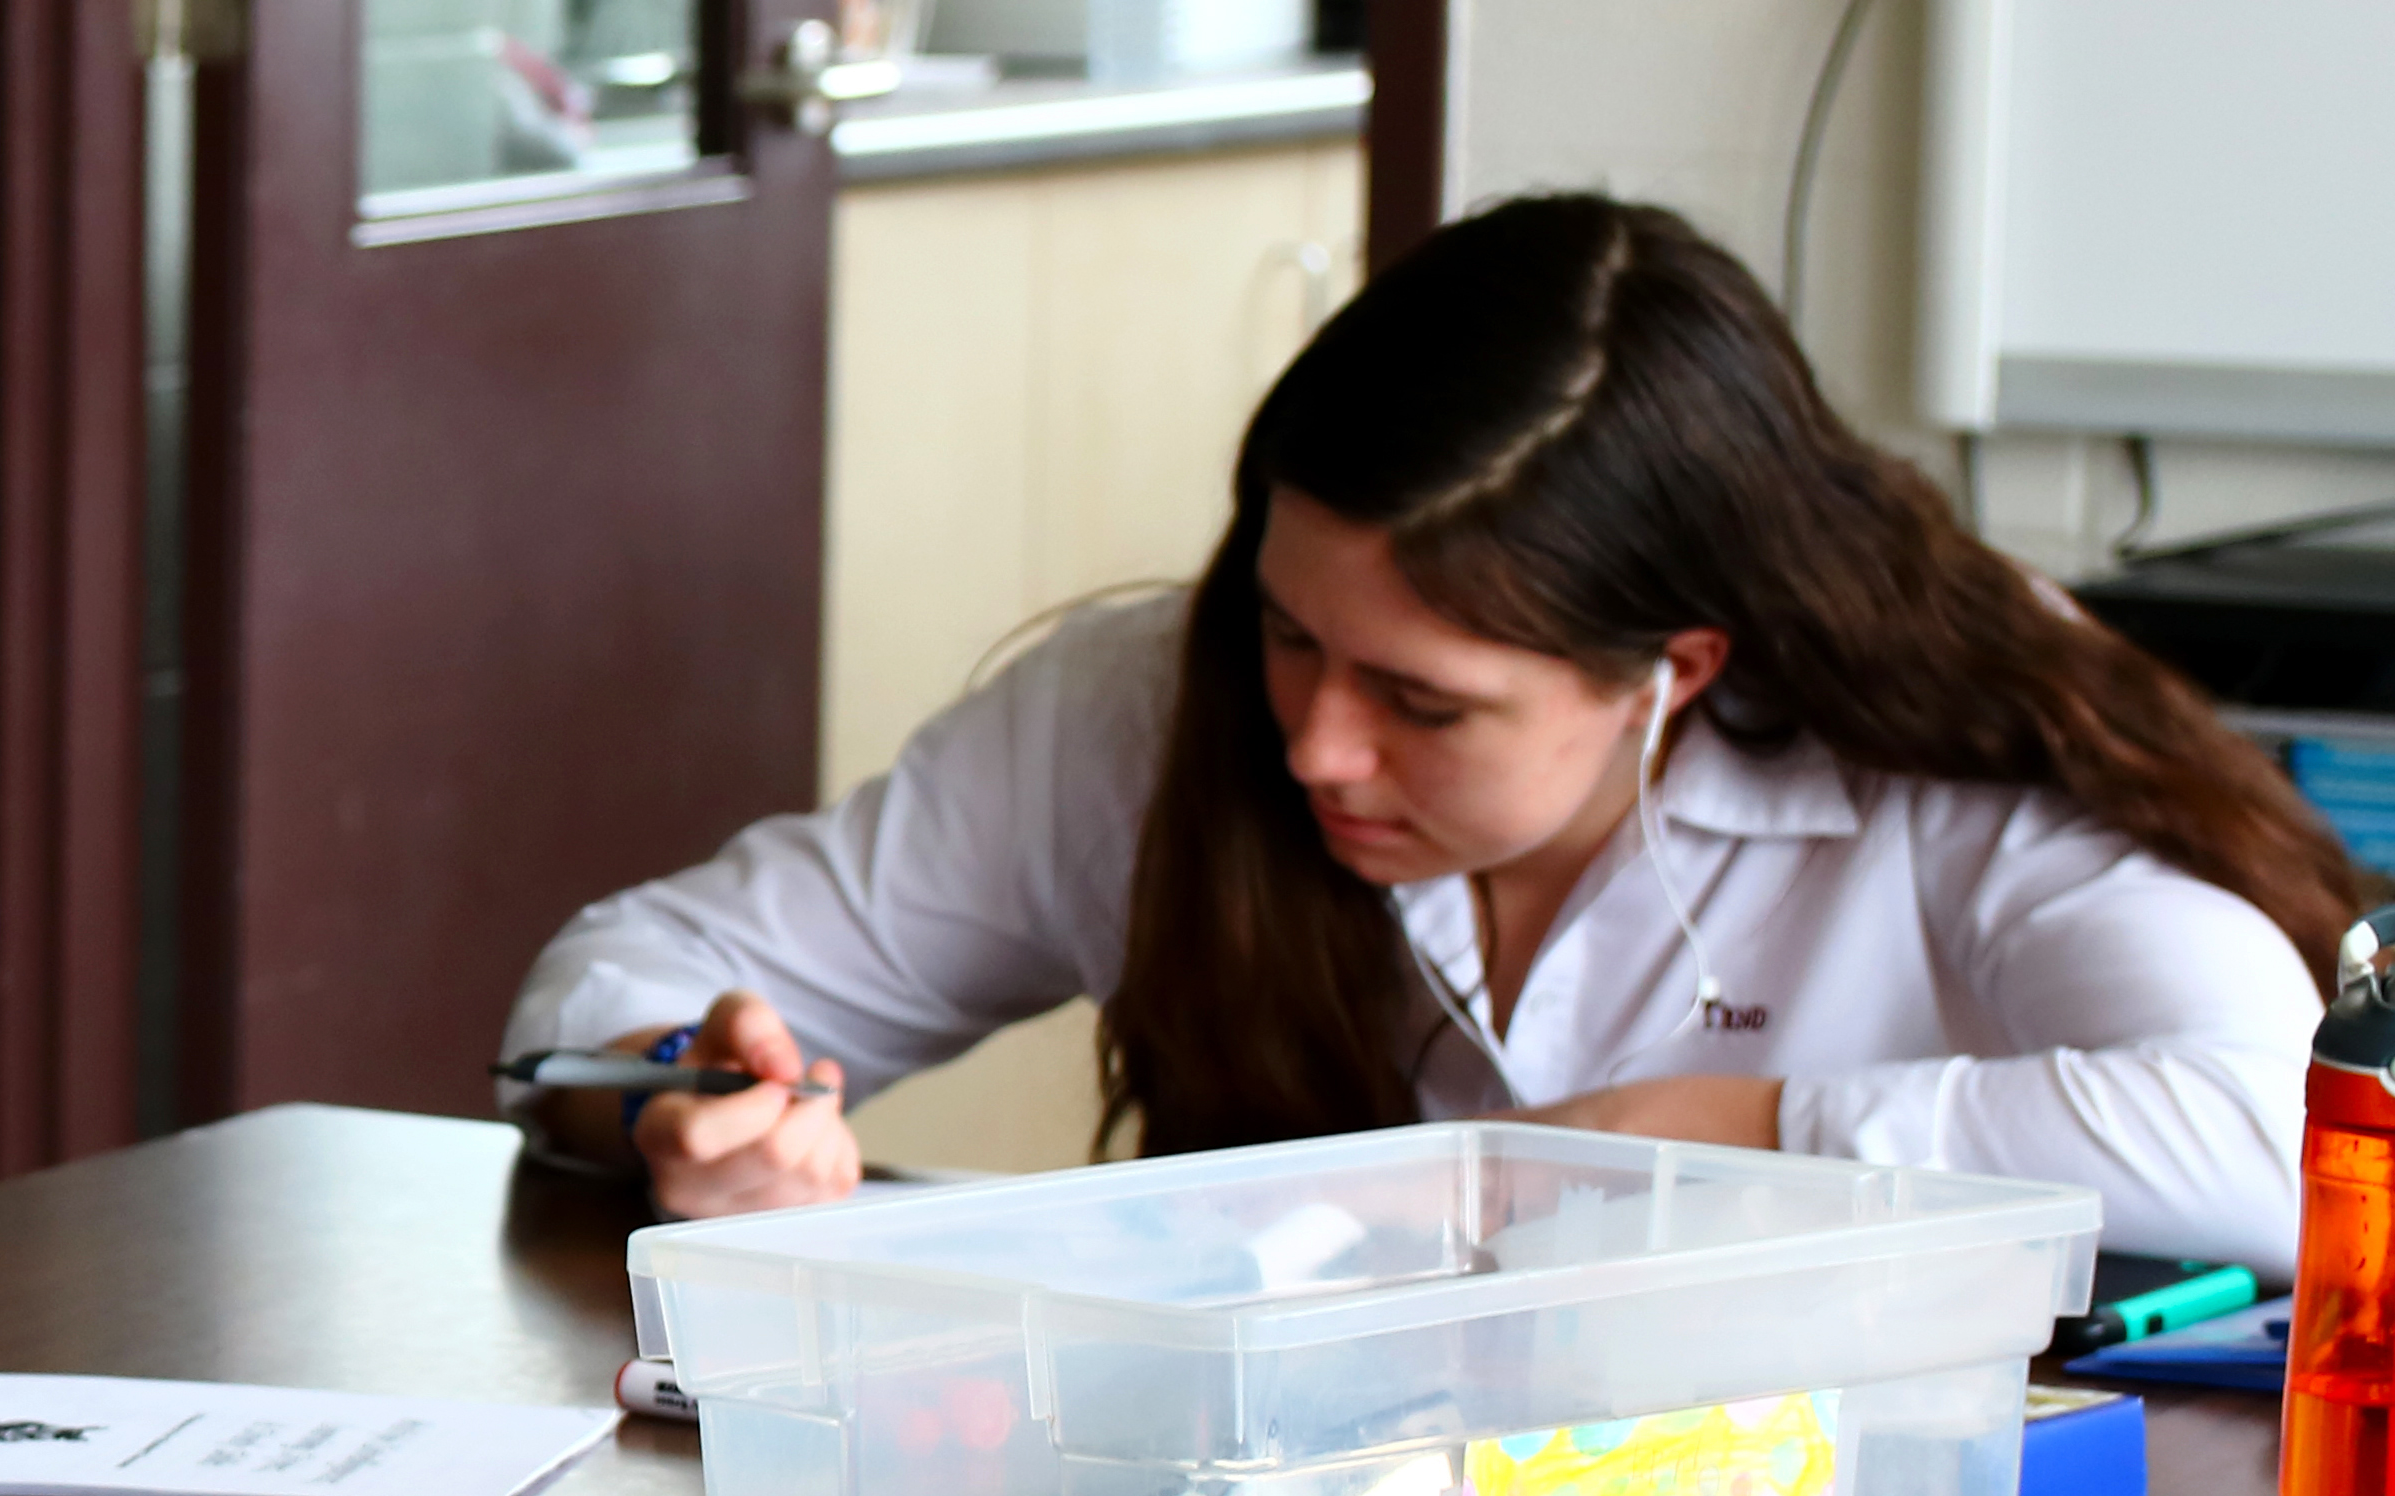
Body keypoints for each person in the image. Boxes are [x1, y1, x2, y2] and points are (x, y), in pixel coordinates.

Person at [505, 193, 2355, 1273]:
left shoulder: (1944, 751)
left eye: (1423, 700)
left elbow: (2284, 1135)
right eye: (1290, 637)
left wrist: (1722, 1126)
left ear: (1676, 670)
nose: (1314, 745)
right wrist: (686, 1090)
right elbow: (603, 990)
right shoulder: (1143, 715)